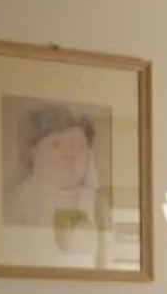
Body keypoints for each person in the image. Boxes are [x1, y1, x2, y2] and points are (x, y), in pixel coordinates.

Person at [6, 101, 103, 246]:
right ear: (32, 152)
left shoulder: (97, 203)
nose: (70, 155)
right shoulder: (18, 203)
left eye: (79, 146)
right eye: (56, 145)